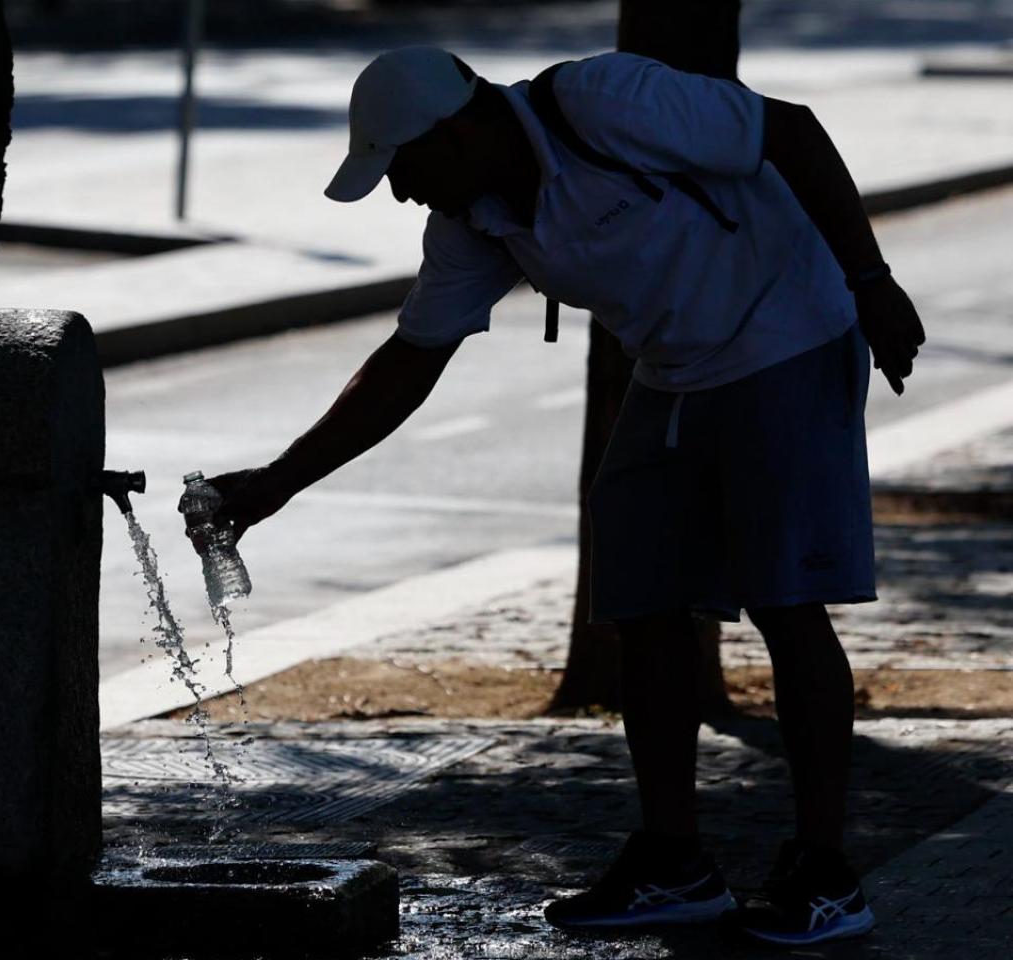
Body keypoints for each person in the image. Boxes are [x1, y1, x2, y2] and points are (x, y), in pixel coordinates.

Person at [199, 47, 925, 946]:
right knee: (643, 601)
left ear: (457, 132)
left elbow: (795, 133)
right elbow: (407, 367)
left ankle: (827, 874)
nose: (401, 195)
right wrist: (276, 484)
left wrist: (873, 282)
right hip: (673, 373)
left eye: (404, 168)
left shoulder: (605, 100)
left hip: (791, 334)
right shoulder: (476, 224)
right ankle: (674, 863)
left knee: (786, 602)